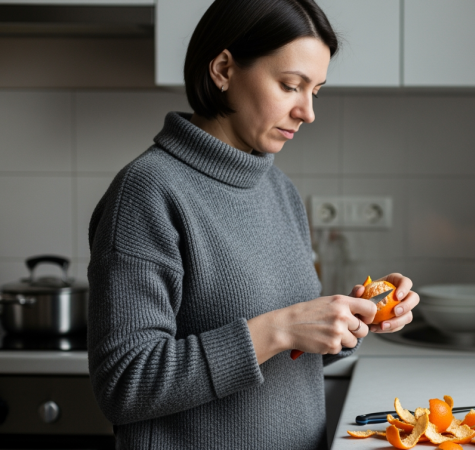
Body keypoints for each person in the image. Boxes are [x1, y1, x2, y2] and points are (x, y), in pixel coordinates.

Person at [86, 1, 419, 448]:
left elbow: (282, 360)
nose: (307, 112)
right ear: (224, 69)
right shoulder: (148, 191)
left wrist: (347, 323)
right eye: (290, 86)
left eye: (315, 91)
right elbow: (125, 384)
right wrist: (280, 328)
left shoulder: (278, 189)